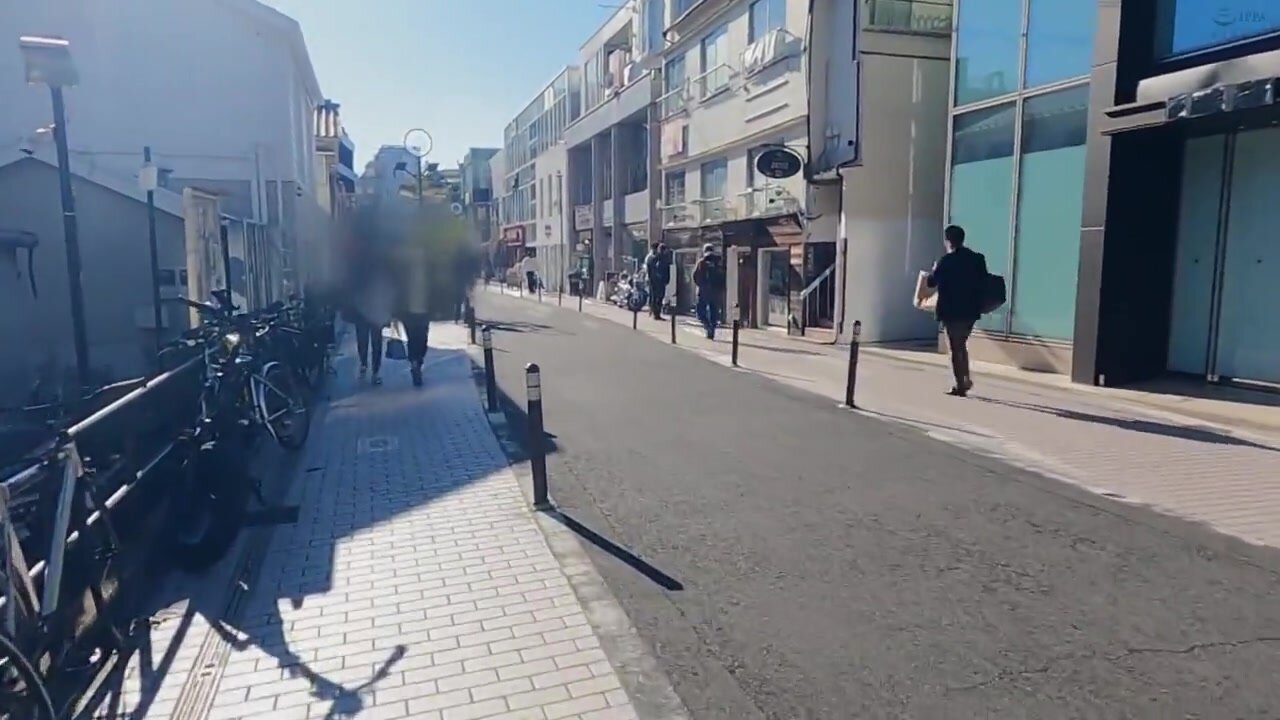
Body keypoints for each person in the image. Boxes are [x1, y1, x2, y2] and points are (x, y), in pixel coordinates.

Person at [926, 224, 988, 397]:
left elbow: (931, 282)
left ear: (948, 241)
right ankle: (965, 378)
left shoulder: (946, 261)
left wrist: (934, 269)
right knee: (961, 344)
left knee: (955, 347)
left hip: (951, 311)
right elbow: (984, 280)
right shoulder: (977, 259)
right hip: (970, 310)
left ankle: (961, 384)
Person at [692, 243, 725, 340]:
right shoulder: (718, 262)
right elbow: (723, 276)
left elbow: (695, 276)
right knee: (714, 312)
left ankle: (707, 326)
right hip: (716, 292)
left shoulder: (702, 262)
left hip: (704, 291)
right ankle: (712, 330)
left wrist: (701, 285)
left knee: (700, 312)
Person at [644, 242, 670, 320]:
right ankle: (655, 313)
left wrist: (667, 279)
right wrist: (650, 278)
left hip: (658, 282)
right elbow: (650, 269)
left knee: (658, 297)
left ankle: (655, 312)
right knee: (656, 298)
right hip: (656, 282)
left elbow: (667, 270)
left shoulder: (661, 258)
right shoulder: (655, 258)